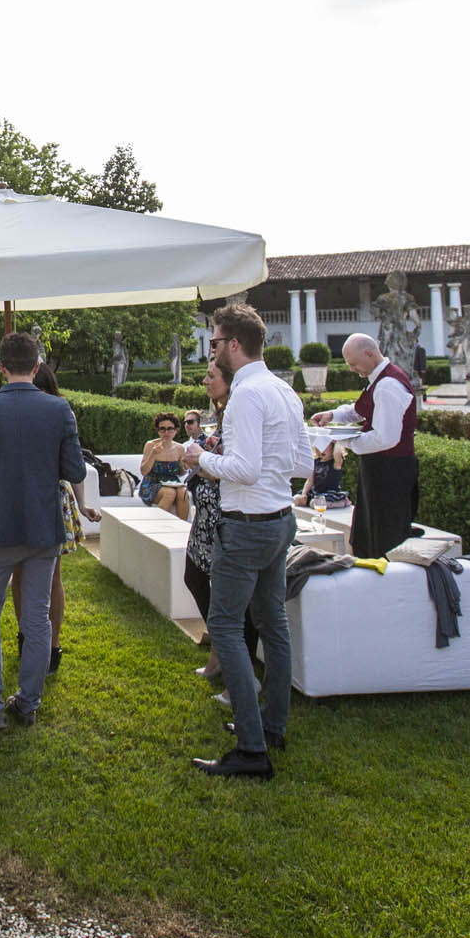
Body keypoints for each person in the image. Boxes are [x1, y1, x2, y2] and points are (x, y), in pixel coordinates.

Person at [185, 305, 311, 779]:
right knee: (273, 624)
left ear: (234, 345)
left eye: (215, 343)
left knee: (226, 624)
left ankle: (253, 748)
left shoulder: (244, 396)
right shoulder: (284, 390)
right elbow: (302, 462)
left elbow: (244, 469)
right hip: (281, 520)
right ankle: (272, 727)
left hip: (247, 524)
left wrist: (200, 458)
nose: (213, 349)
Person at [0, 332, 86, 735]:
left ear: (1, 367)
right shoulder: (59, 409)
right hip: (44, 526)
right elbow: (75, 471)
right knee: (37, 616)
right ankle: (27, 703)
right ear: (39, 367)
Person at [12, 362, 104, 676]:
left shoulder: (62, 413)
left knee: (52, 576)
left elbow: (73, 462)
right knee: (19, 573)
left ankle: (51, 645)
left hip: (52, 496)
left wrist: (82, 502)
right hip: (18, 496)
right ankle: (25, 638)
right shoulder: (12, 412)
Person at [179, 364, 258, 686]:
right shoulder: (223, 417)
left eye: (212, 376)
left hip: (226, 518)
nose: (205, 380)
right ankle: (223, 651)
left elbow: (242, 469)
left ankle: (237, 664)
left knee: (237, 599)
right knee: (194, 577)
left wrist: (203, 462)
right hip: (206, 518)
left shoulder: (242, 413)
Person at [310, 332, 417, 560]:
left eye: (354, 363)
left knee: (386, 537)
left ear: (370, 354)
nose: (352, 369)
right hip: (380, 468)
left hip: (391, 471)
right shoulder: (379, 380)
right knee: (370, 533)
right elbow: (360, 410)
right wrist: (332, 415)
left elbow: (385, 438)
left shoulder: (388, 385)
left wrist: (343, 440)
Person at [138, 411, 192, 518]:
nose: (166, 433)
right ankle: (159, 528)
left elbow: (181, 472)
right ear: (158, 431)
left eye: (170, 429)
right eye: (162, 429)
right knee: (170, 493)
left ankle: (183, 529)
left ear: (176, 430)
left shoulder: (179, 448)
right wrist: (153, 454)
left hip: (173, 482)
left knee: (183, 493)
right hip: (152, 483)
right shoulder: (151, 445)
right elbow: (144, 471)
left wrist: (186, 465)